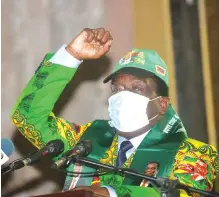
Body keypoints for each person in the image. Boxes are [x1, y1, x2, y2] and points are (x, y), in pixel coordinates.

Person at [11, 28, 218, 197]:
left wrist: (109, 193)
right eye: (117, 89)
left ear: (162, 104)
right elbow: (28, 115)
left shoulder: (195, 155)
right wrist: (71, 55)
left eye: (137, 88)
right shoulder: (85, 142)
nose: (123, 96)